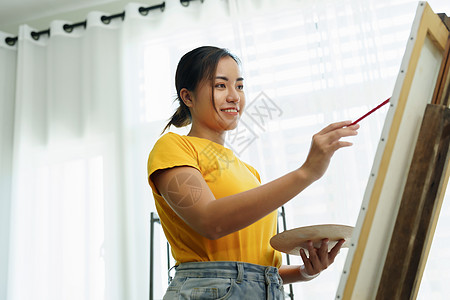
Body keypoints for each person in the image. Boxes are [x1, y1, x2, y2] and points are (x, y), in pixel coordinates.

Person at [147, 46, 359, 299]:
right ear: (188, 97)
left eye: (239, 86)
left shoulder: (250, 173)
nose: (234, 96)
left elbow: (261, 268)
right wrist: (307, 172)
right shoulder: (173, 147)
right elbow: (210, 221)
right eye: (220, 86)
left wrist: (306, 271)